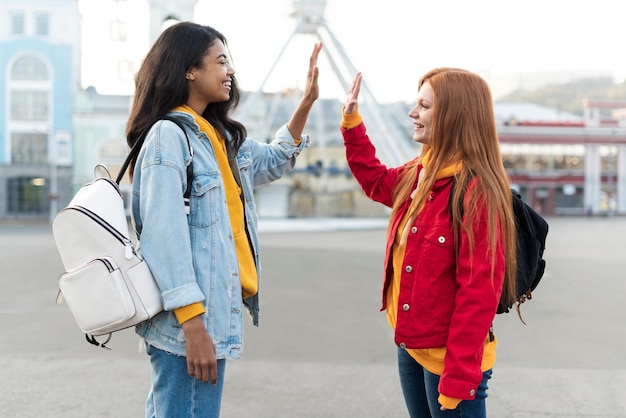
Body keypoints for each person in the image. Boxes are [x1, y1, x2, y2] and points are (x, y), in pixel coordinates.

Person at [125, 21, 322, 417]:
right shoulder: (169, 136)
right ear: (188, 70)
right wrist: (194, 328)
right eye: (221, 61)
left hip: (209, 319)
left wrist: (306, 103)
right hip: (189, 325)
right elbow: (165, 238)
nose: (230, 70)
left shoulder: (218, 136)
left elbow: (271, 160)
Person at [340, 70, 518, 417]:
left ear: (454, 116)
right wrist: (352, 121)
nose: (412, 112)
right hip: (411, 346)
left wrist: (458, 377)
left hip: (450, 362)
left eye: (424, 105)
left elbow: (479, 292)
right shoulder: (422, 173)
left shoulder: (476, 192)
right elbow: (375, 181)